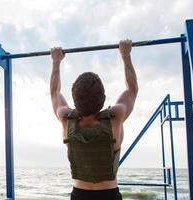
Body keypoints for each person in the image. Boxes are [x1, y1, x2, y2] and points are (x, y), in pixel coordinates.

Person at [50, 40, 138, 200]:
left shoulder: (66, 118)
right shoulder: (115, 116)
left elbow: (54, 93)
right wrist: (125, 54)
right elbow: (132, 89)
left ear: (75, 100)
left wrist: (56, 61)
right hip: (109, 195)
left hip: (79, 195)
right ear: (103, 98)